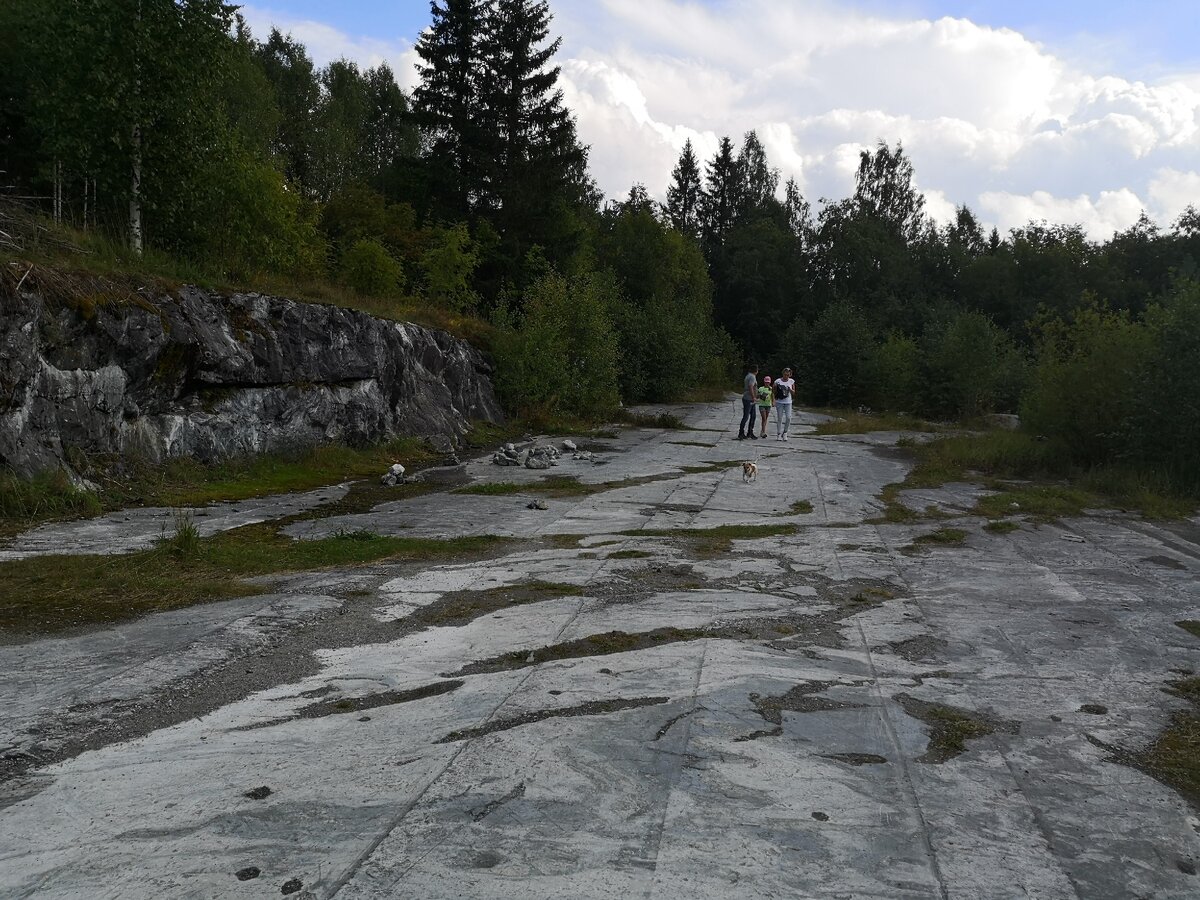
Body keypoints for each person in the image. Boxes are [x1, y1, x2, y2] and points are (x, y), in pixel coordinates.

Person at [773, 366, 796, 439]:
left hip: (788, 402)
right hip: (779, 401)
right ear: (783, 374)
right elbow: (774, 392)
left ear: (790, 375)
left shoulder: (791, 381)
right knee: (779, 417)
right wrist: (775, 387)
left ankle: (785, 432)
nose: (786, 376)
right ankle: (778, 433)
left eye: (788, 375)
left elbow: (793, 392)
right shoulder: (778, 381)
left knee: (788, 417)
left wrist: (790, 390)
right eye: (785, 374)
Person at [738, 364, 758, 440]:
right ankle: (741, 433)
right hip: (749, 399)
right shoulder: (752, 377)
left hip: (748, 398)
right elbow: (750, 386)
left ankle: (750, 432)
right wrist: (753, 397)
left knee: (753, 416)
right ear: (756, 370)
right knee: (746, 416)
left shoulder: (748, 375)